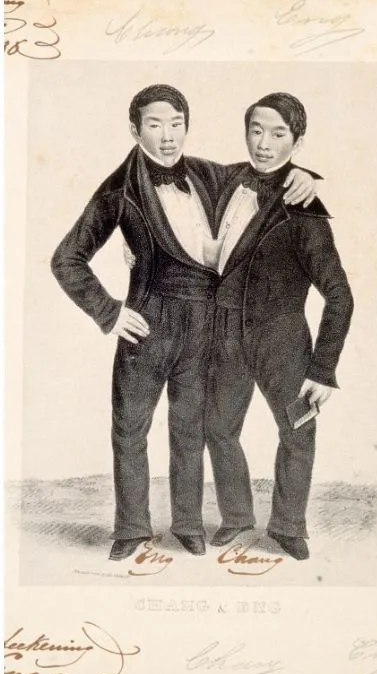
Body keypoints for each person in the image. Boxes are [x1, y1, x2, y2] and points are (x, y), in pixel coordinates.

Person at [50, 84, 318, 561]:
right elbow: (66, 258)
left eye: (176, 125)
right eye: (155, 125)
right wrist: (109, 312)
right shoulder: (119, 188)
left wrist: (306, 176)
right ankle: (131, 528)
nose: (168, 137)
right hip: (147, 321)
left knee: (189, 428)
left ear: (187, 128)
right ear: (135, 130)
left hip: (205, 323)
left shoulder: (206, 173)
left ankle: (189, 525)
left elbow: (265, 169)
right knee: (130, 428)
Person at [203, 92, 353, 561]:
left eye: (278, 134)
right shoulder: (226, 180)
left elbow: (341, 298)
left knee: (297, 431)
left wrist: (323, 369)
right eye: (256, 130)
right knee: (218, 428)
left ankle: (288, 526)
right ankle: (236, 518)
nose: (264, 143)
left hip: (282, 337)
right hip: (224, 332)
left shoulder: (306, 212)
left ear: (298, 140)